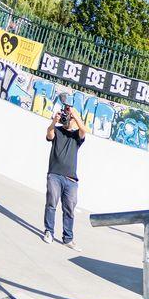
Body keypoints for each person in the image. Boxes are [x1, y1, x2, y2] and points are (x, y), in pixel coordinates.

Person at [43, 92, 88, 250]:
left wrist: (75, 114)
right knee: (51, 204)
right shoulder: (57, 131)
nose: (66, 120)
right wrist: (53, 122)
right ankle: (49, 231)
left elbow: (84, 130)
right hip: (54, 175)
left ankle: (68, 239)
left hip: (71, 180)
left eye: (68, 118)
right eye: (66, 118)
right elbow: (49, 135)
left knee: (69, 210)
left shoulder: (77, 136)